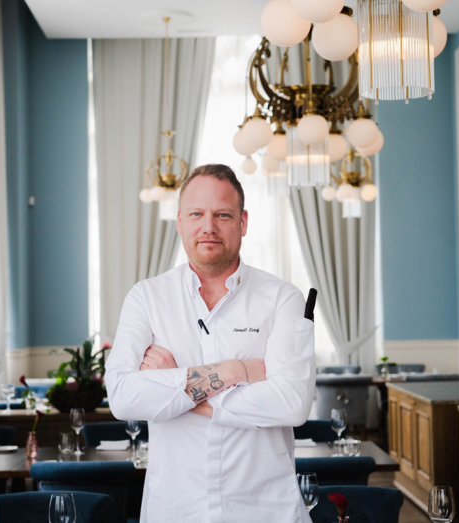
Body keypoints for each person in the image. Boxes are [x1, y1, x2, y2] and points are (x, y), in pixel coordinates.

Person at [105, 163, 316, 523]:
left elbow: (292, 405)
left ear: (243, 222)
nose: (208, 227)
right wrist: (235, 371)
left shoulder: (283, 298)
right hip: (176, 510)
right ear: (180, 222)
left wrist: (175, 386)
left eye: (222, 215)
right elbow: (123, 397)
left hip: (266, 510)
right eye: (196, 214)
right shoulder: (146, 298)